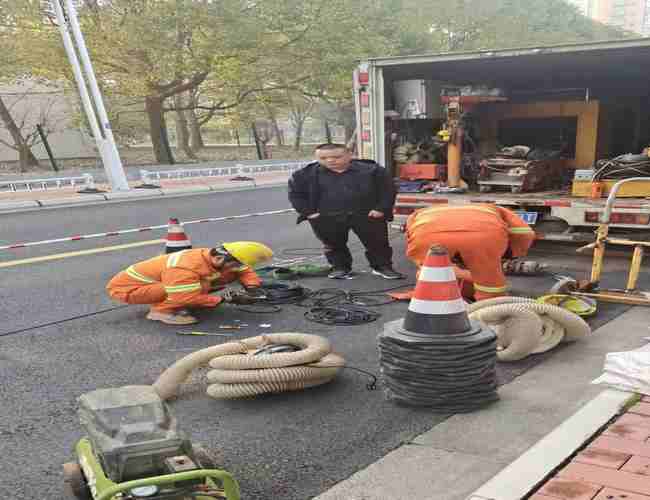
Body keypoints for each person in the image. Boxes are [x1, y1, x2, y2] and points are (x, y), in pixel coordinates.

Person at [288, 143, 402, 280]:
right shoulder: (303, 175)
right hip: (325, 217)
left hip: (367, 214)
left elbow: (388, 190)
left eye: (336, 157)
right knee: (333, 245)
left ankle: (382, 267)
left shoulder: (372, 170)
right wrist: (309, 213)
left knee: (378, 243)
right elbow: (295, 195)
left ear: (349, 155)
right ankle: (340, 268)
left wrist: (381, 209)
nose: (330, 160)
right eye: (323, 158)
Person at [106, 242, 273, 325]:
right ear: (219, 258)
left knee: (215, 279)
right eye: (234, 264)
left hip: (162, 283)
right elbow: (184, 296)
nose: (237, 268)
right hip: (129, 290)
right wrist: (223, 299)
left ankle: (176, 303)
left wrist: (253, 287)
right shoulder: (185, 268)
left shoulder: (215, 257)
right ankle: (160, 311)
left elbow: (244, 269)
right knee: (198, 287)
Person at [405, 204, 536, 301]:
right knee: (489, 279)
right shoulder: (498, 209)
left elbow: (410, 233)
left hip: (426, 235)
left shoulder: (423, 211)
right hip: (483, 236)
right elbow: (525, 233)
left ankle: (433, 296)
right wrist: (513, 253)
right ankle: (489, 307)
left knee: (431, 271)